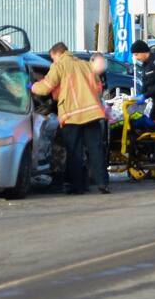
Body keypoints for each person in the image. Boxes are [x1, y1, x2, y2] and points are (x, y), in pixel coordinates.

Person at [31, 43, 109, 194]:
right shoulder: (86, 65)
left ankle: (77, 186)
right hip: (92, 113)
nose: (53, 62)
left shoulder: (60, 66)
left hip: (72, 115)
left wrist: (32, 86)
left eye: (53, 58)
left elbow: (46, 86)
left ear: (57, 54)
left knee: (74, 151)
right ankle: (102, 183)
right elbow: (98, 88)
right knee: (95, 149)